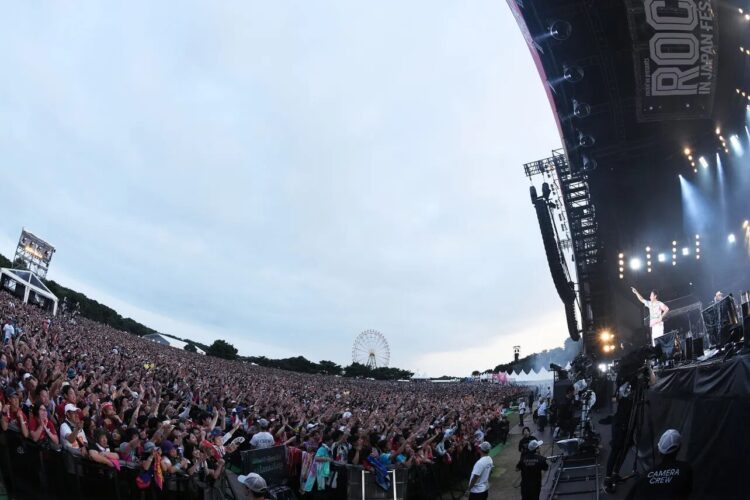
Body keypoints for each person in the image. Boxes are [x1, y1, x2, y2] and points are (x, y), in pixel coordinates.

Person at [625, 429, 692, 500]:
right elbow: (686, 492)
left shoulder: (645, 476)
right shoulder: (685, 469)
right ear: (679, 448)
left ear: (659, 451)